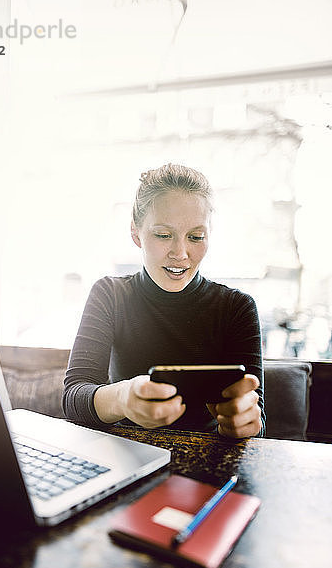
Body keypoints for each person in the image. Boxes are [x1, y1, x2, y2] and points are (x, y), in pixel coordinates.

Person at [63, 164, 265, 438]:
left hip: (210, 457)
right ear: (136, 233)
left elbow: (257, 423)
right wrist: (123, 397)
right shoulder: (110, 294)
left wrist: (246, 422)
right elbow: (74, 396)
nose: (181, 253)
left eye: (196, 237)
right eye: (163, 235)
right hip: (127, 455)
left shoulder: (237, 308)